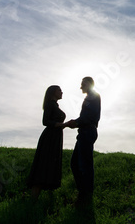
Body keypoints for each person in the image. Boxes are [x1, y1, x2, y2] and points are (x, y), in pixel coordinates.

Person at [64, 76, 101, 206]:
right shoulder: (88, 98)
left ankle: (85, 196)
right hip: (84, 132)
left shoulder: (94, 96)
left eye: (83, 84)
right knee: (75, 163)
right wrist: (77, 122)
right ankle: (83, 193)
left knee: (84, 165)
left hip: (87, 132)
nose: (81, 87)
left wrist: (77, 122)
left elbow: (89, 116)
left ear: (89, 84)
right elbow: (85, 116)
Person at [27, 85, 66, 200]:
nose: (62, 92)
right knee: (44, 164)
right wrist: (62, 124)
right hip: (50, 138)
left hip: (55, 137)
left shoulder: (54, 105)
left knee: (51, 164)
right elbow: (45, 121)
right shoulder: (50, 104)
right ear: (53, 92)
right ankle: (33, 198)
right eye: (59, 90)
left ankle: (48, 198)